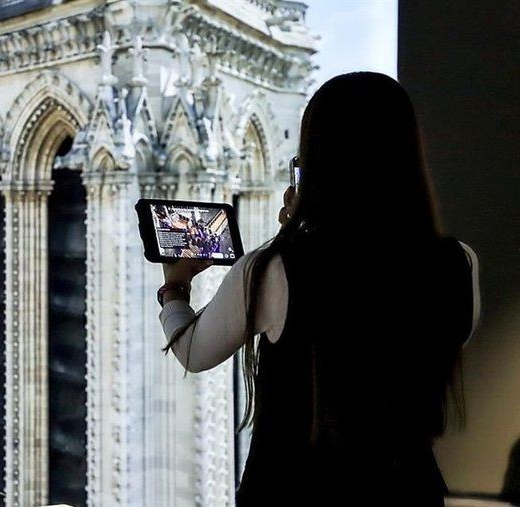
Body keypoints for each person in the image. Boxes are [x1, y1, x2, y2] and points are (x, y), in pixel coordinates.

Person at [155, 72, 480, 506]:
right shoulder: (459, 262)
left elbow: (193, 352)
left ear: (316, 162)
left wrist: (174, 288)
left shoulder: (272, 269)